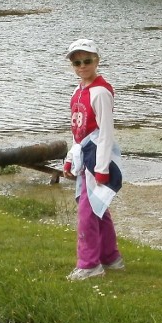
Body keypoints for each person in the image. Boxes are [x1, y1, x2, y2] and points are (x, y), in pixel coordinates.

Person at [63, 38, 125, 281]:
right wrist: (70, 158)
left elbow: (106, 133)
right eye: (76, 62)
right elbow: (78, 132)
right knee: (98, 209)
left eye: (87, 61)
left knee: (87, 213)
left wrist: (101, 169)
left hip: (98, 157)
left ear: (96, 60)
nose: (82, 66)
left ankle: (89, 264)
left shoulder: (100, 93)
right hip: (84, 154)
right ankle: (111, 257)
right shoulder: (79, 90)